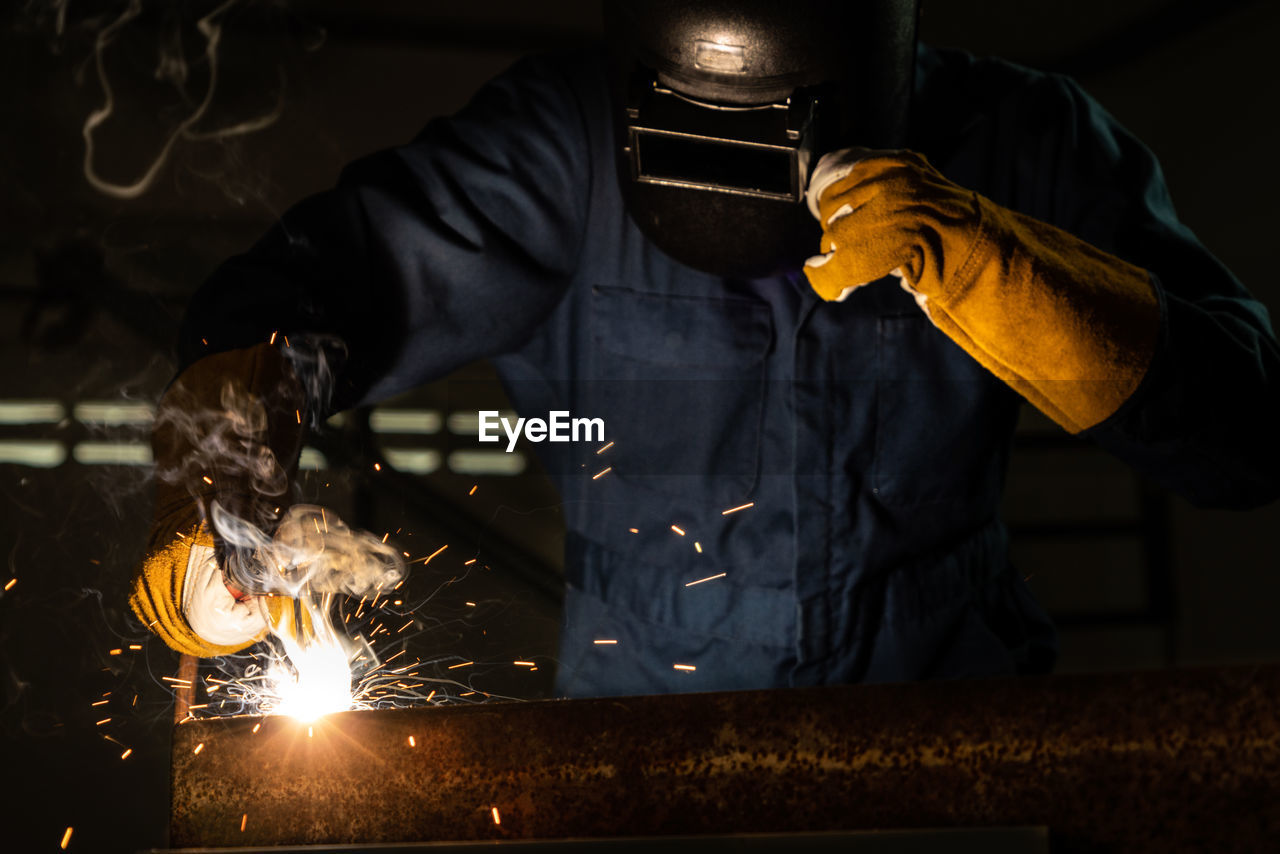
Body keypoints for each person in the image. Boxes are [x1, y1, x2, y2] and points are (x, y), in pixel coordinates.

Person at [130, 1, 1279, 697]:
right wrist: (239, 405)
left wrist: (999, 265)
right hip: (644, 746)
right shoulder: (570, 141)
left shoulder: (1023, 140)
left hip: (939, 716)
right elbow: (339, 271)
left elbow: (1247, 431)